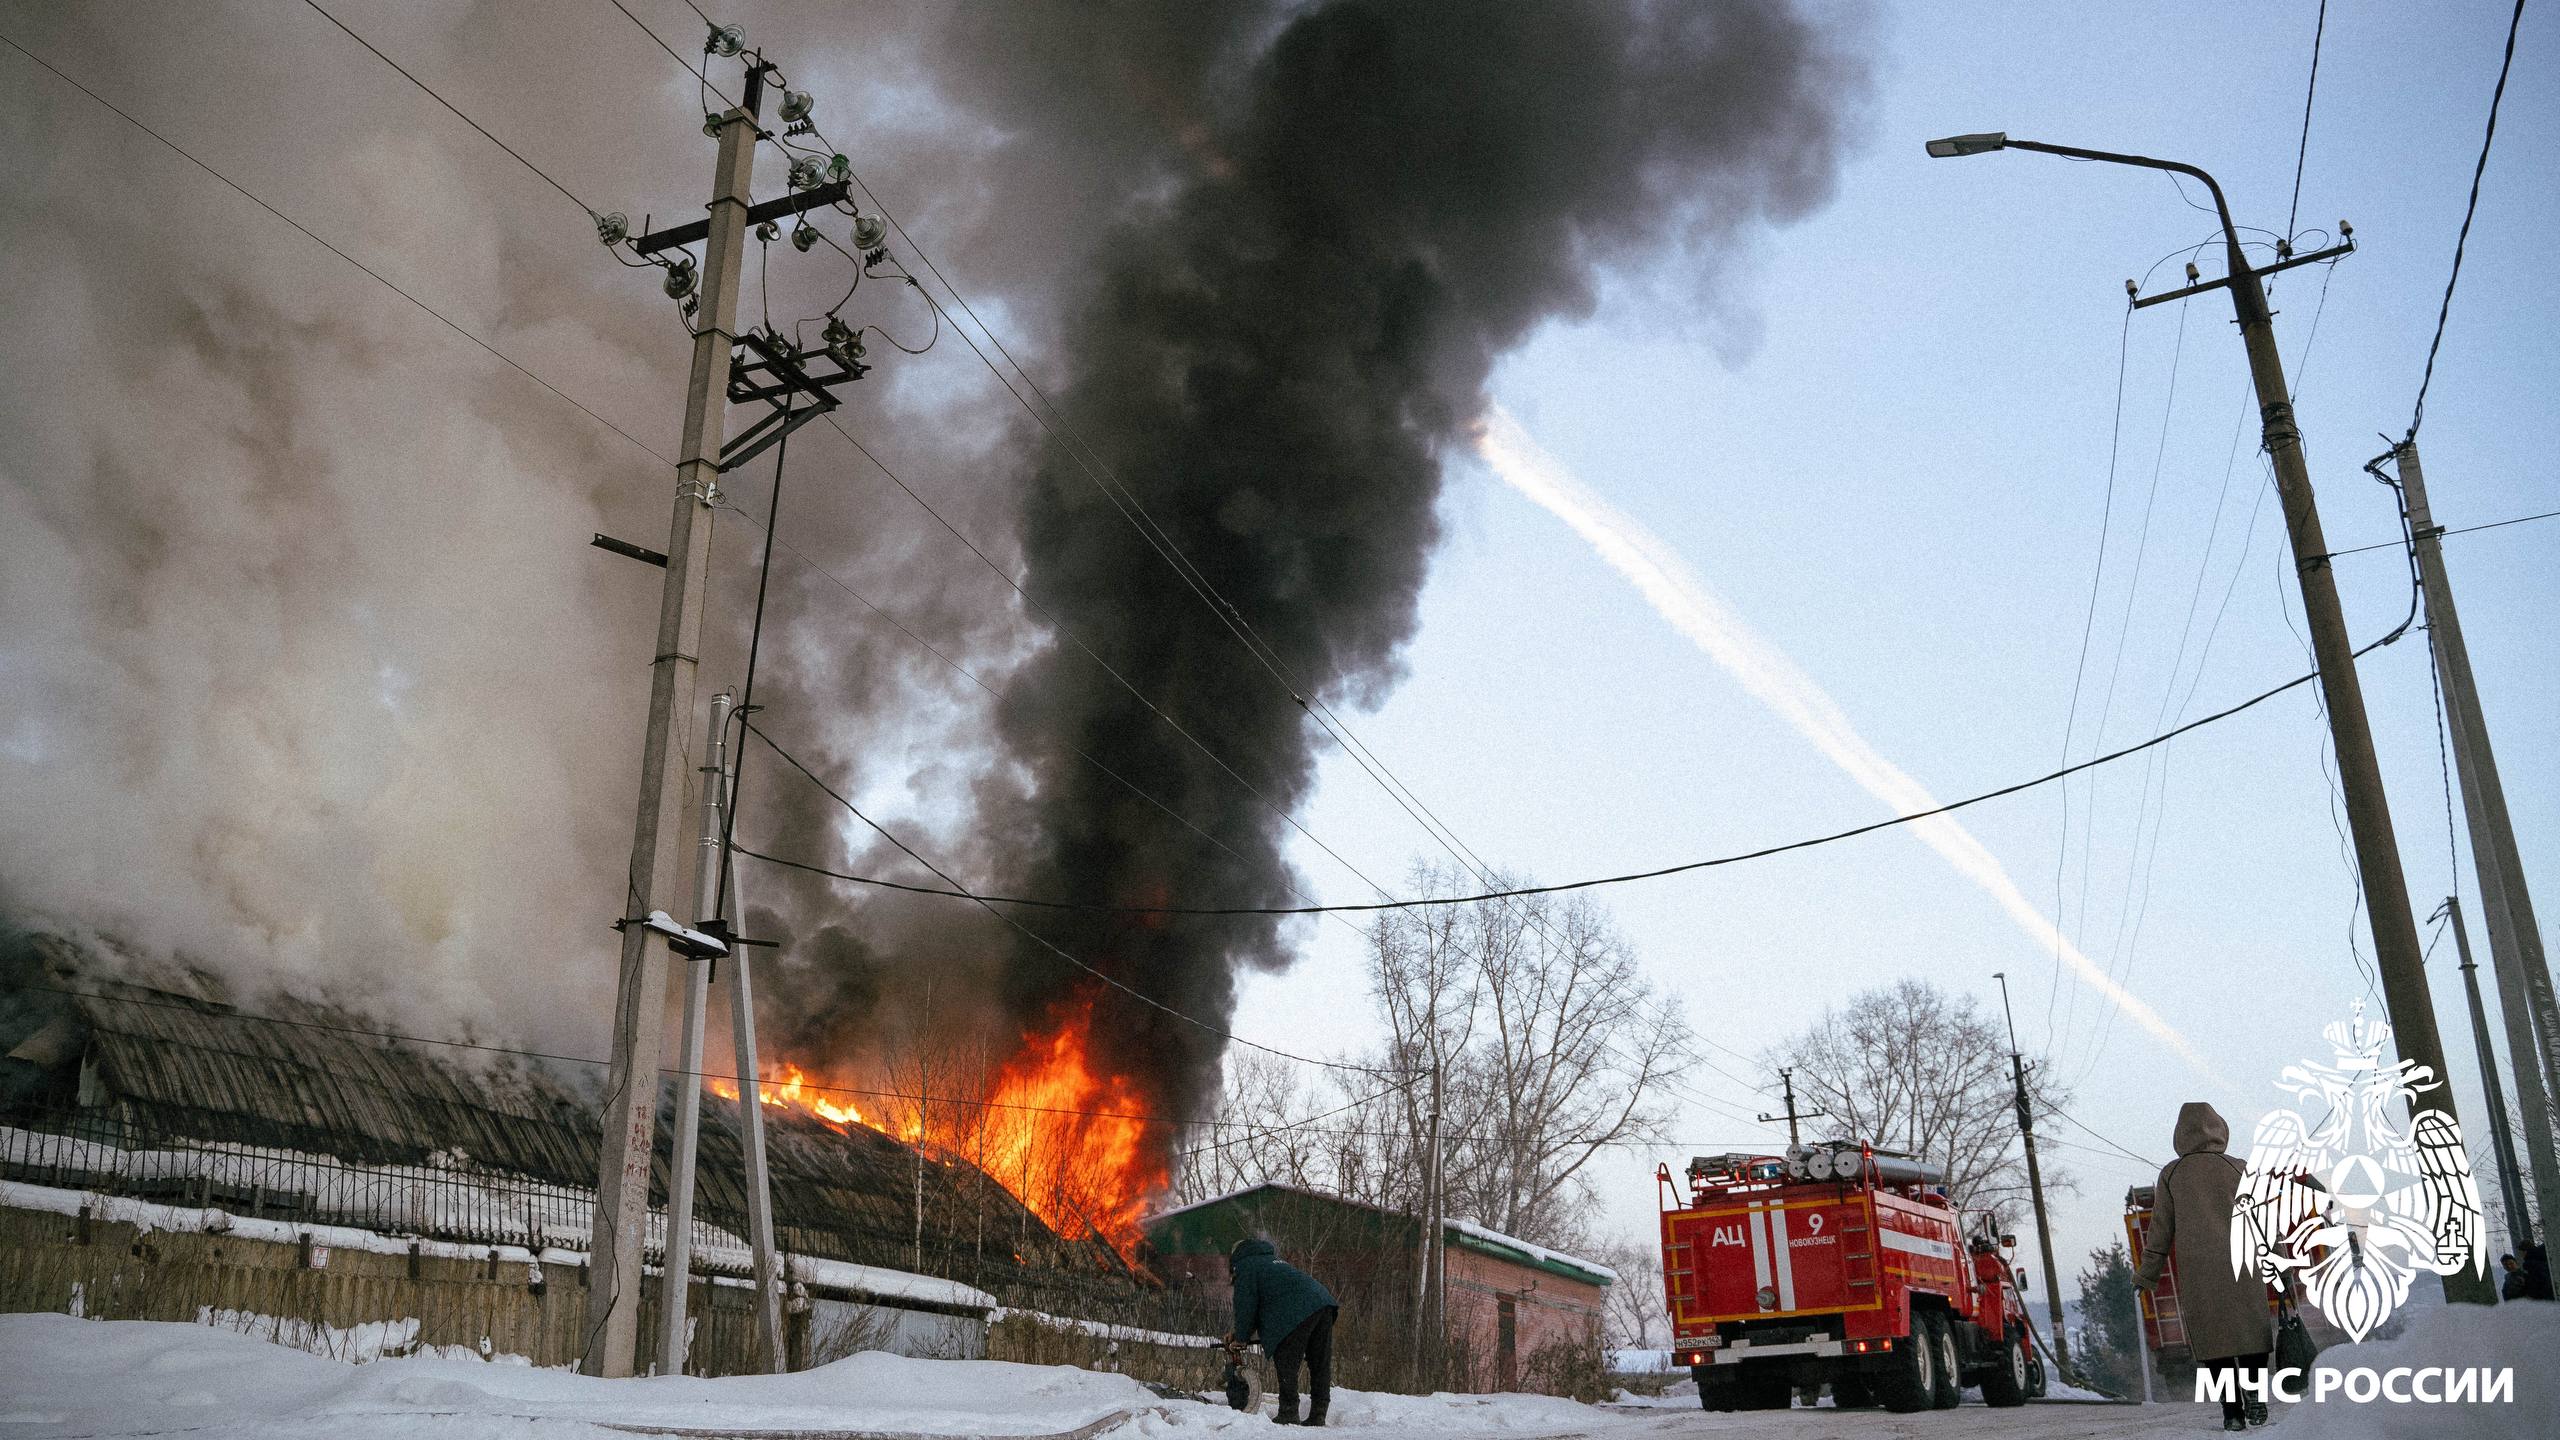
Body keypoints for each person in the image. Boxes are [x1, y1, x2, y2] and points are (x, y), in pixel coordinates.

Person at [2135, 1102, 2270, 1432]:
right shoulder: (2240, 1168)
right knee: (2252, 1333)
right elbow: (2264, 1221)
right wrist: (2280, 1265)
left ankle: (2232, 1412)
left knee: (2215, 1341)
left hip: (2199, 1271)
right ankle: (2255, 1395)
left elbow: (2161, 1230)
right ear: (2220, 1130)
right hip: (2244, 1264)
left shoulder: (2172, 1175)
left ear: (2180, 1136)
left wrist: (2147, 1274)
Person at [1227, 1236, 1340, 1426]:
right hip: (1323, 1302)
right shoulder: (1271, 1261)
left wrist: (1240, 1337)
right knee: (1319, 1362)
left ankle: (1288, 1412)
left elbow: (1246, 1304)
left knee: (1287, 1360)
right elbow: (1264, 1300)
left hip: (1294, 1311)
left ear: (1236, 1254)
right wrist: (1240, 1333)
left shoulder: (1245, 1265)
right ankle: (1318, 1414)